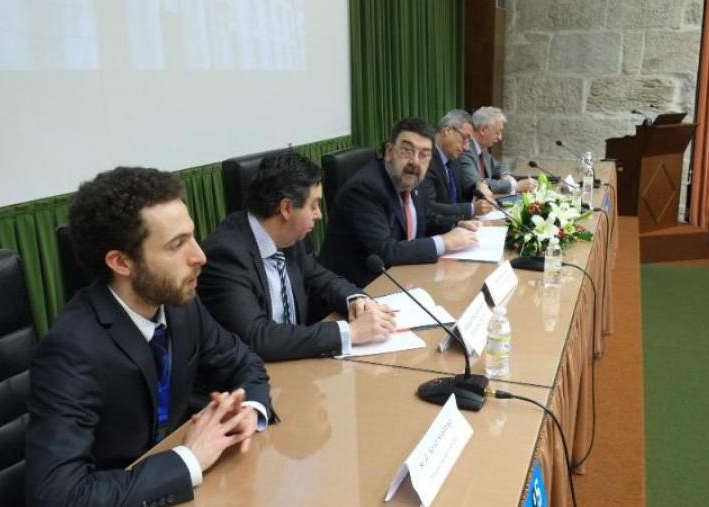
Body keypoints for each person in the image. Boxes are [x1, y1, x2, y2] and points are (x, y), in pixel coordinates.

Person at [26, 167, 274, 507]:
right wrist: (188, 459)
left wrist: (248, 409)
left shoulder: (181, 304)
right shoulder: (70, 350)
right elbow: (59, 497)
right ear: (121, 262)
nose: (200, 256)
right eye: (177, 245)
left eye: (192, 236)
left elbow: (244, 361)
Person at [199, 151, 396, 361]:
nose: (319, 214)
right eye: (314, 205)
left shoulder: (288, 239)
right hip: (252, 379)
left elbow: (324, 279)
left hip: (296, 364)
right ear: (286, 208)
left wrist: (356, 300)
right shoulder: (226, 255)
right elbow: (257, 338)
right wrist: (350, 333)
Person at [319, 117, 480, 287]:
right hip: (358, 292)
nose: (415, 162)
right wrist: (445, 242)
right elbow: (385, 252)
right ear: (389, 152)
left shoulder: (413, 182)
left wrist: (455, 225)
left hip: (401, 281)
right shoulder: (365, 189)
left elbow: (426, 217)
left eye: (424, 154)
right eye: (407, 151)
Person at [421, 109, 494, 223]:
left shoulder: (454, 159)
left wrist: (480, 187)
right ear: (448, 130)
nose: (466, 148)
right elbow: (429, 207)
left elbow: (463, 191)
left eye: (469, 141)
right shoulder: (426, 158)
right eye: (465, 138)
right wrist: (471, 209)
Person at [457, 106, 537, 199]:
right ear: (483, 130)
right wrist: (514, 185)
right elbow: (477, 183)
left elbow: (499, 166)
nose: (500, 138)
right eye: (497, 132)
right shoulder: (465, 150)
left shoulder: (482, 148)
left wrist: (505, 175)